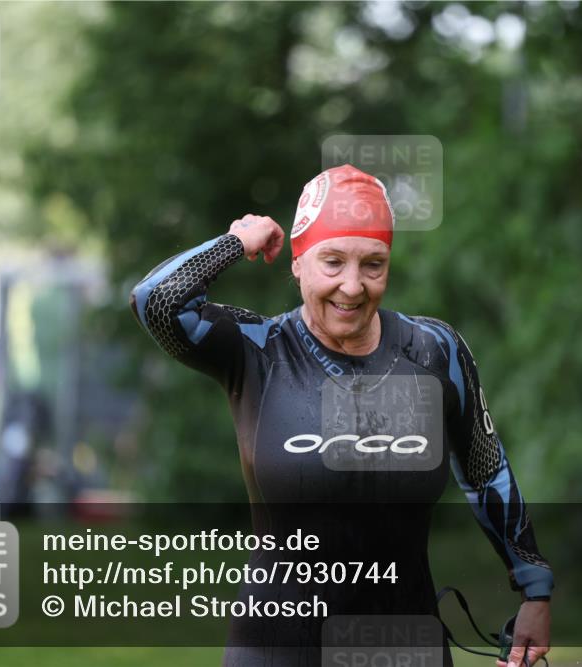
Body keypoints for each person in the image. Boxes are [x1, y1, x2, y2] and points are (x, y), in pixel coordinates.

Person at [130, 164, 553, 667]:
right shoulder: (259, 349)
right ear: (297, 264)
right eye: (332, 262)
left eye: (373, 264)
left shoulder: (433, 351)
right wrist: (236, 241)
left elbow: (487, 471)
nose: (352, 287)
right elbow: (155, 300)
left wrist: (534, 588)